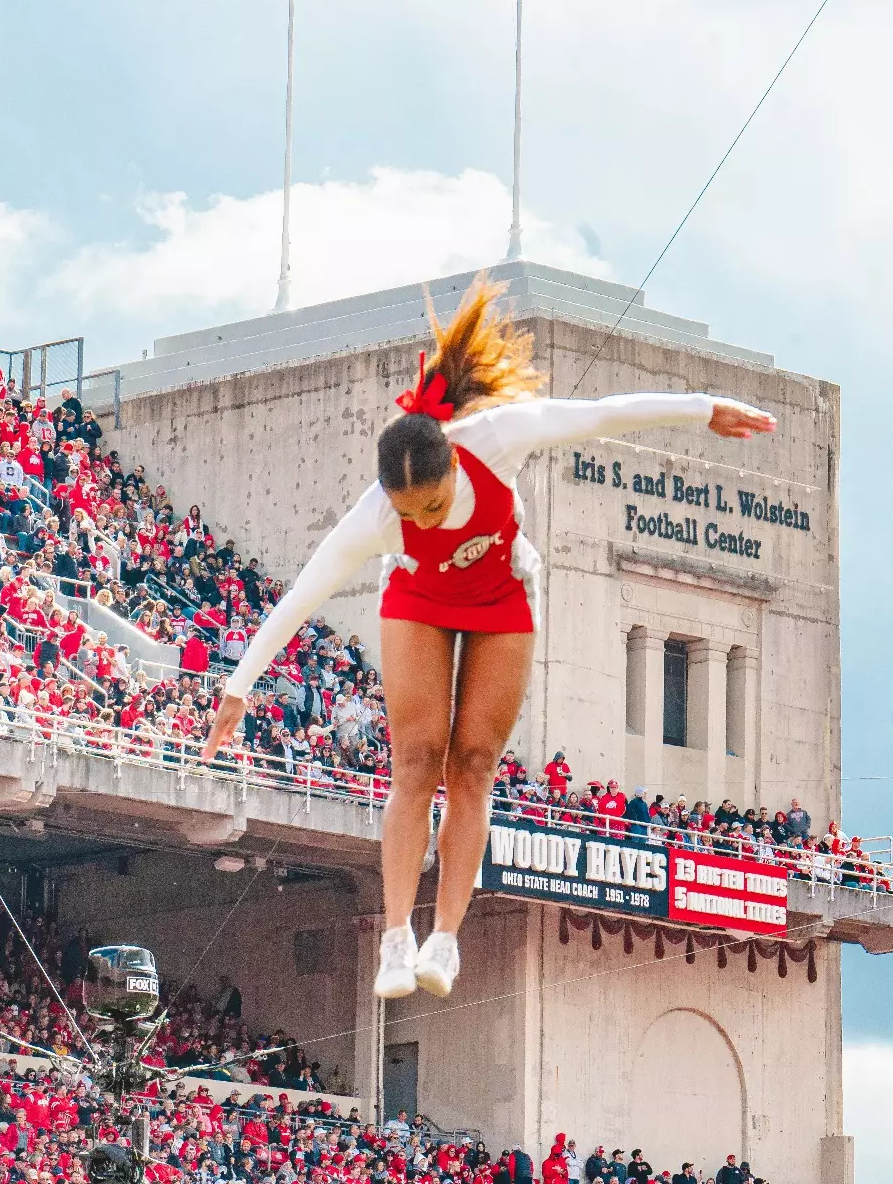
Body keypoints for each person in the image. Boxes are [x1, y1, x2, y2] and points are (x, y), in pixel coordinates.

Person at [201, 275, 776, 1000]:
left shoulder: (498, 439)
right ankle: (396, 937)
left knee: (471, 762)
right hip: (418, 599)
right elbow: (302, 595)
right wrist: (236, 688)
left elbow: (600, 416)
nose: (430, 517)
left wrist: (704, 410)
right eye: (414, 511)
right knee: (416, 758)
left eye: (436, 503)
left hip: (503, 593)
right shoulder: (378, 516)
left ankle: (446, 938)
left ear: (449, 462)